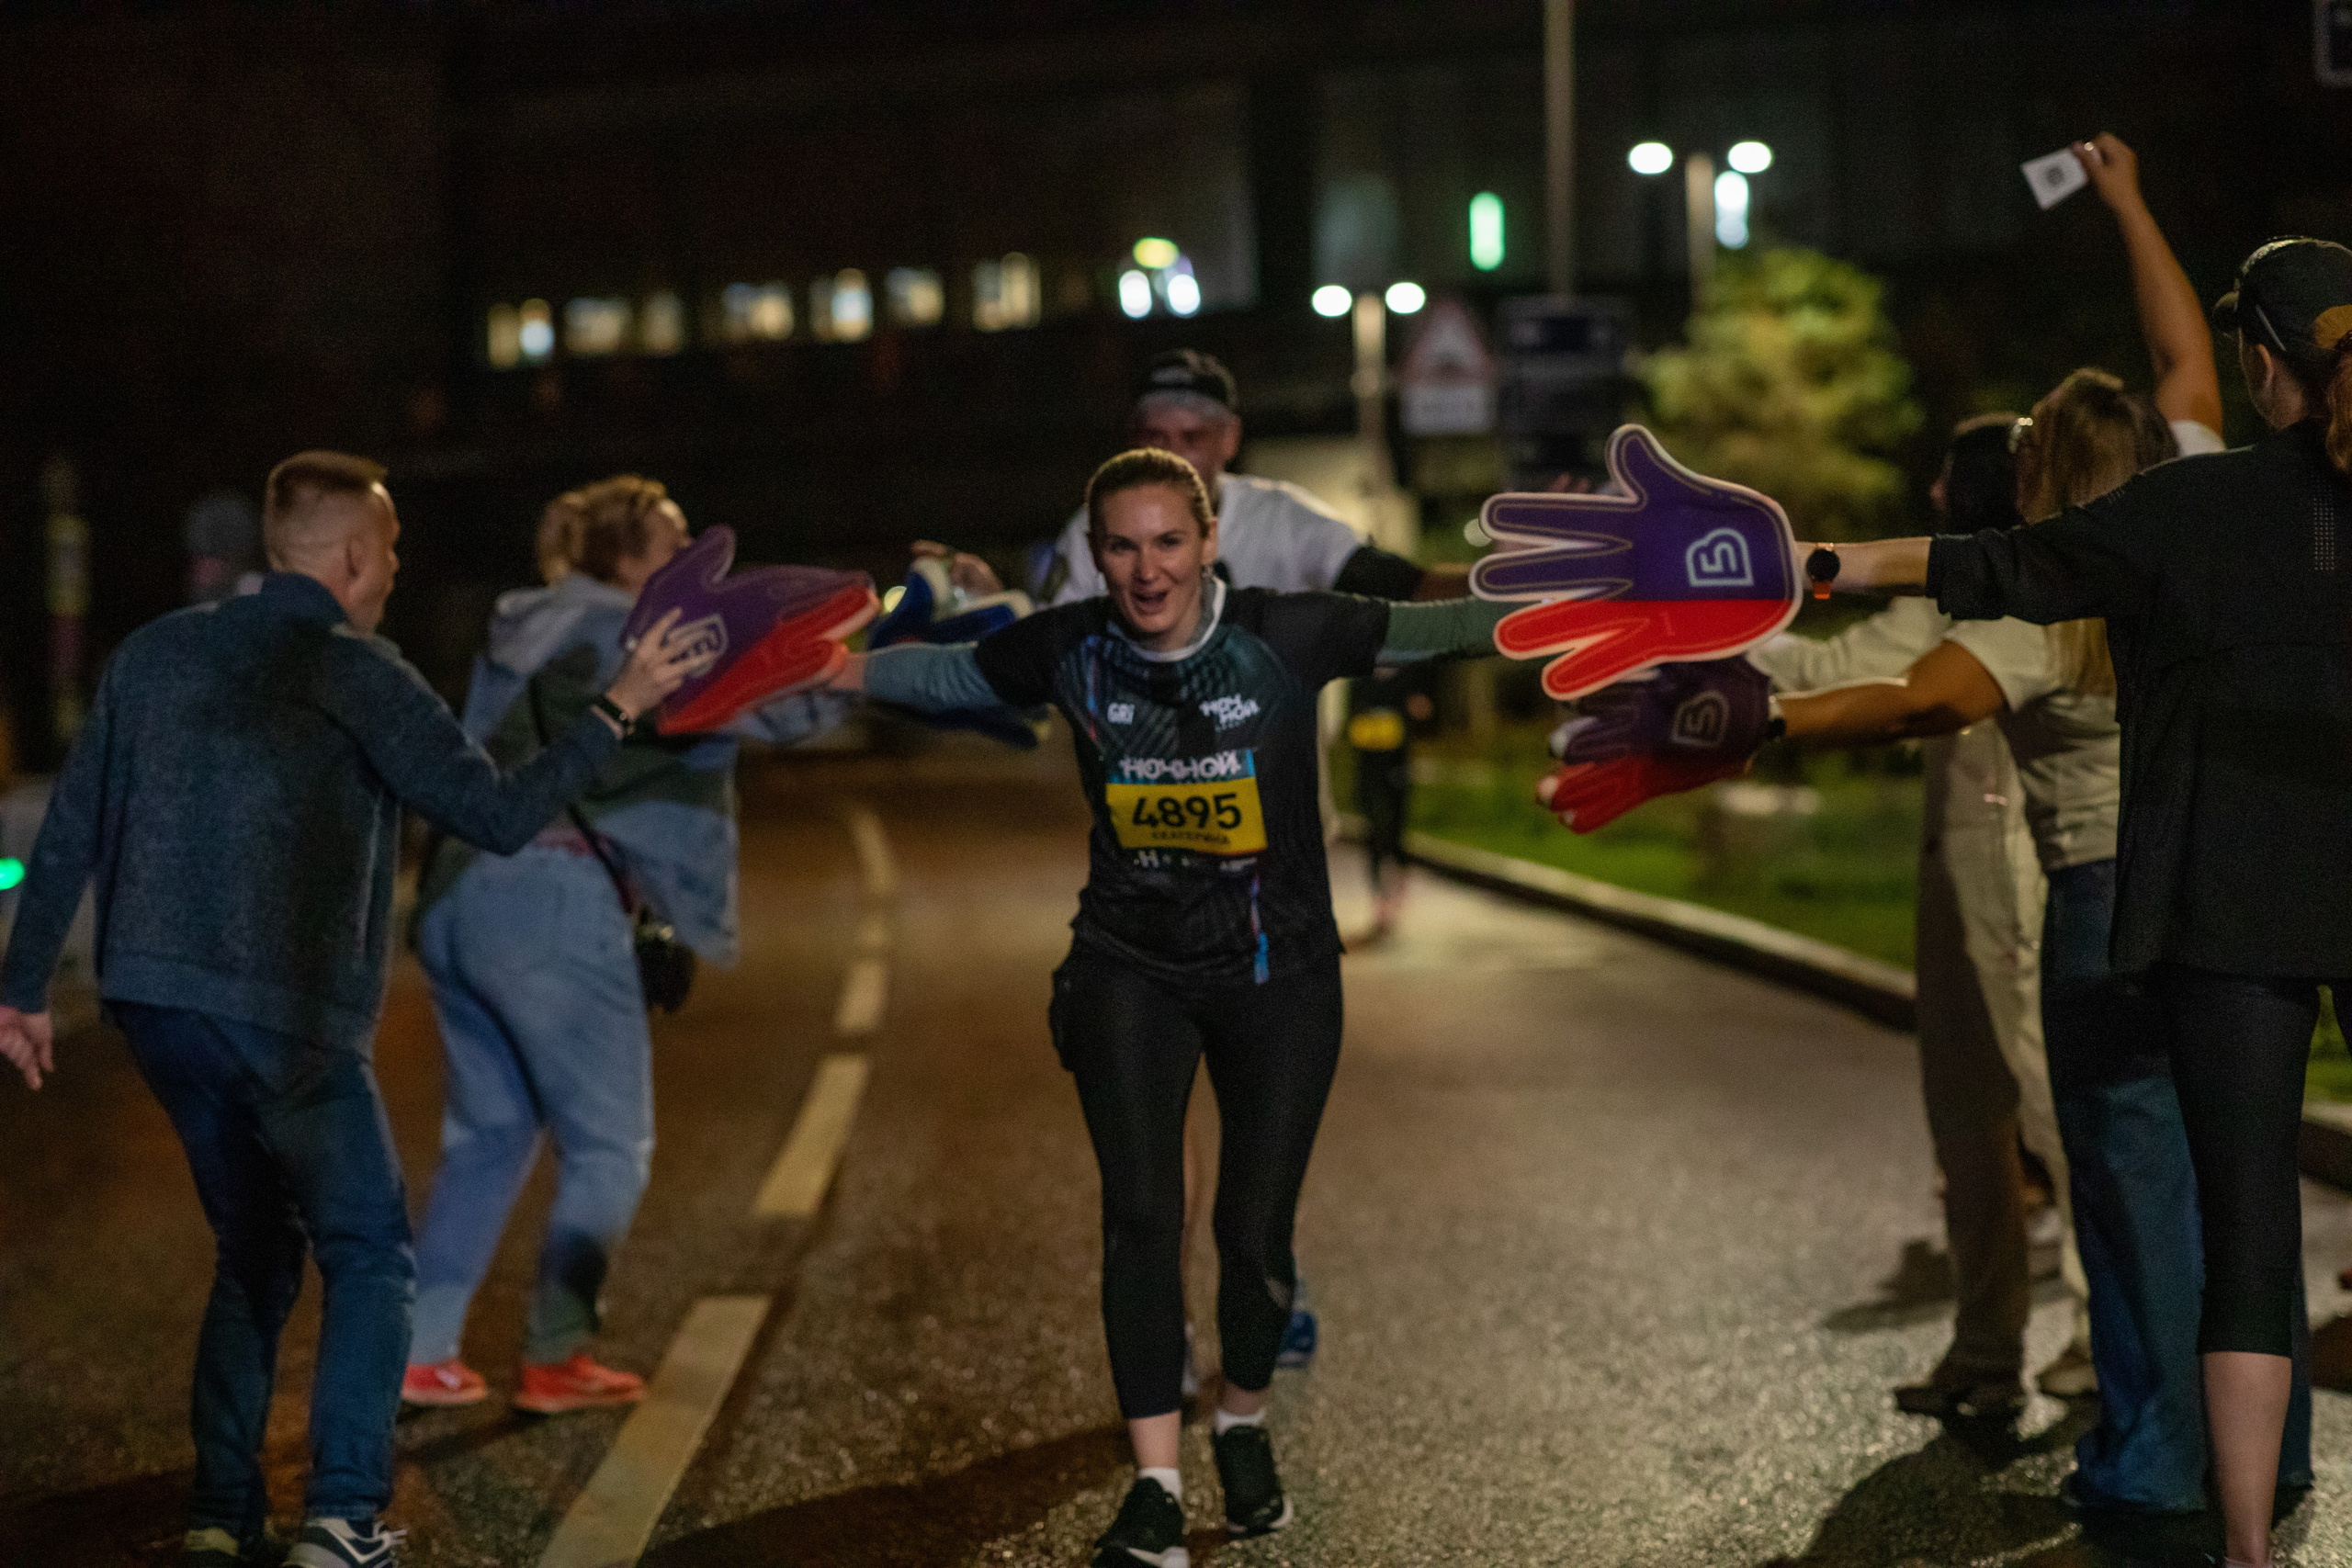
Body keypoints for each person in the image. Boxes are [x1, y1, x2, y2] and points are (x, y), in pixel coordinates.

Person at [0, 452, 696, 1568]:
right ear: (357, 556)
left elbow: (75, 824)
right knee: (369, 1251)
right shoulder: (357, 670)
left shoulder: (153, 654)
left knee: (254, 1254)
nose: (395, 570)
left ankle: (223, 1516)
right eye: (392, 550)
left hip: (158, 1004)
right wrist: (616, 708)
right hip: (290, 1015)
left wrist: (23, 988)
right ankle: (341, 1518)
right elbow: (498, 813)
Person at [832, 447, 1506, 1566]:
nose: (1146, 571)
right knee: (1141, 1220)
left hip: (1276, 976)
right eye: (1122, 548)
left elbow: (1459, 629)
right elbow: (937, 678)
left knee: (1252, 1242)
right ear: (1094, 558)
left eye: (1168, 544)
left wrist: (1626, 593)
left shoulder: (1288, 634)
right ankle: (1152, 1487)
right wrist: (809, 673)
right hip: (1126, 969)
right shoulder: (1071, 646)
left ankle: (1238, 1421)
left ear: (1206, 547)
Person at [1790, 230, 2352, 1568]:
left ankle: (2244, 1551)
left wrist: (1833, 562)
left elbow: (2002, 565)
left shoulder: (2207, 501)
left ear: (2263, 368)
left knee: (2246, 1227)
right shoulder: (2231, 475)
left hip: (2228, 912)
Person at [401, 477, 853, 1416]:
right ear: (626, 558)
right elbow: (773, 711)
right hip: (553, 898)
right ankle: (557, 1354)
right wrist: (875, 651)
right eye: (675, 542)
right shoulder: (630, 633)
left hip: (456, 894)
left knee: (489, 1136)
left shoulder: (525, 625)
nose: (699, 563)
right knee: (611, 1143)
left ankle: (419, 1348)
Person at [1747, 413, 2098, 1418]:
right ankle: (1987, 1348)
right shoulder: (1962, 594)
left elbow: (1846, 680)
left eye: (1952, 480)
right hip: (1960, 868)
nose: (1936, 497)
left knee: (2043, 1106)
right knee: (1967, 1119)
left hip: (2009, 864)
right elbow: (1832, 665)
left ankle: (2093, 1333)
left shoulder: (2010, 596)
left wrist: (1729, 666)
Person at [1344, 659, 1436, 942]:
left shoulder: (1408, 676)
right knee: (1374, 831)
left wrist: (1418, 708)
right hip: (1368, 767)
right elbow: (1351, 720)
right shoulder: (1360, 678)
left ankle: (1397, 883)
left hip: (1397, 766)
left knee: (1396, 827)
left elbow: (1424, 712)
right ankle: (1379, 899)